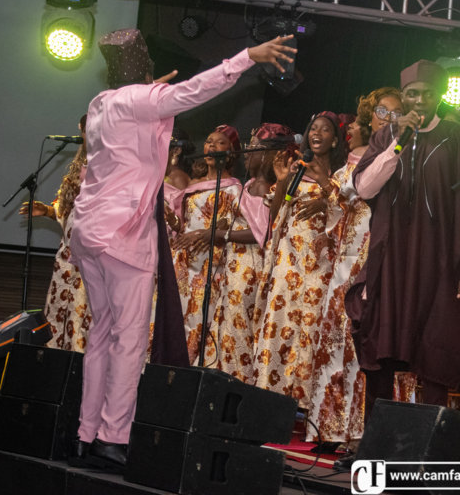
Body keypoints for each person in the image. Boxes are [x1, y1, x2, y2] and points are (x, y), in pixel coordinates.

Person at [68, 28, 295, 469]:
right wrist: (247, 56)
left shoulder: (100, 104)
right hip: (122, 236)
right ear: (143, 71)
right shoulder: (143, 99)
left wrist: (147, 89)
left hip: (88, 231)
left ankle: (84, 433)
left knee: (101, 334)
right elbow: (195, 90)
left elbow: (136, 112)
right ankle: (112, 438)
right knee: (128, 340)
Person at [348, 59, 460, 414]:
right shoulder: (386, 137)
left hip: (440, 261)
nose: (419, 101)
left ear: (439, 96)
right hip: (392, 260)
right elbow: (365, 188)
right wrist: (397, 143)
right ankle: (379, 437)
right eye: (412, 94)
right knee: (380, 345)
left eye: (427, 94)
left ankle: (429, 440)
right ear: (404, 96)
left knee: (437, 349)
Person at [307, 88, 403, 447]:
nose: (388, 118)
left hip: (376, 258)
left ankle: (364, 433)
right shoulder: (350, 161)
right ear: (369, 115)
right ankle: (331, 427)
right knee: (337, 340)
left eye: (396, 113)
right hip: (345, 259)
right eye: (382, 111)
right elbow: (339, 203)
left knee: (368, 347)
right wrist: (325, 192)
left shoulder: (401, 156)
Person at [252, 111, 347, 413]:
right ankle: (271, 396)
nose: (317, 133)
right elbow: (276, 214)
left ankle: (304, 402)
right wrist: (282, 182)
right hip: (289, 260)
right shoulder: (296, 170)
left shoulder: (342, 176)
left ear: (335, 140)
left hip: (321, 264)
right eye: (313, 128)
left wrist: (325, 188)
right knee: (281, 323)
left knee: (310, 326)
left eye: (325, 130)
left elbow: (347, 213)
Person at [209, 122, 296, 382]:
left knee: (238, 331)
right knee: (227, 328)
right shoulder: (249, 184)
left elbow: (262, 232)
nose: (248, 152)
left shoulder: (264, 187)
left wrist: (223, 235)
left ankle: (235, 380)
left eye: (255, 147)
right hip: (234, 264)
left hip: (248, 268)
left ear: (269, 154)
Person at [172, 125, 243, 364]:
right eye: (209, 141)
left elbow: (237, 227)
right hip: (183, 261)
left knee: (198, 317)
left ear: (230, 153)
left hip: (208, 264)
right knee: (176, 314)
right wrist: (171, 220)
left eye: (219, 142)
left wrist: (209, 233)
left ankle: (190, 367)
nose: (211, 145)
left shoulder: (234, 188)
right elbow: (183, 223)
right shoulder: (193, 184)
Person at [21, 115, 90, 352]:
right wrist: (49, 211)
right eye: (85, 130)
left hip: (92, 256)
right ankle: (58, 362)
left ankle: (81, 362)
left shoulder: (113, 163)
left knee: (83, 315)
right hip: (67, 256)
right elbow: (68, 212)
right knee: (60, 312)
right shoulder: (79, 164)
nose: (88, 134)